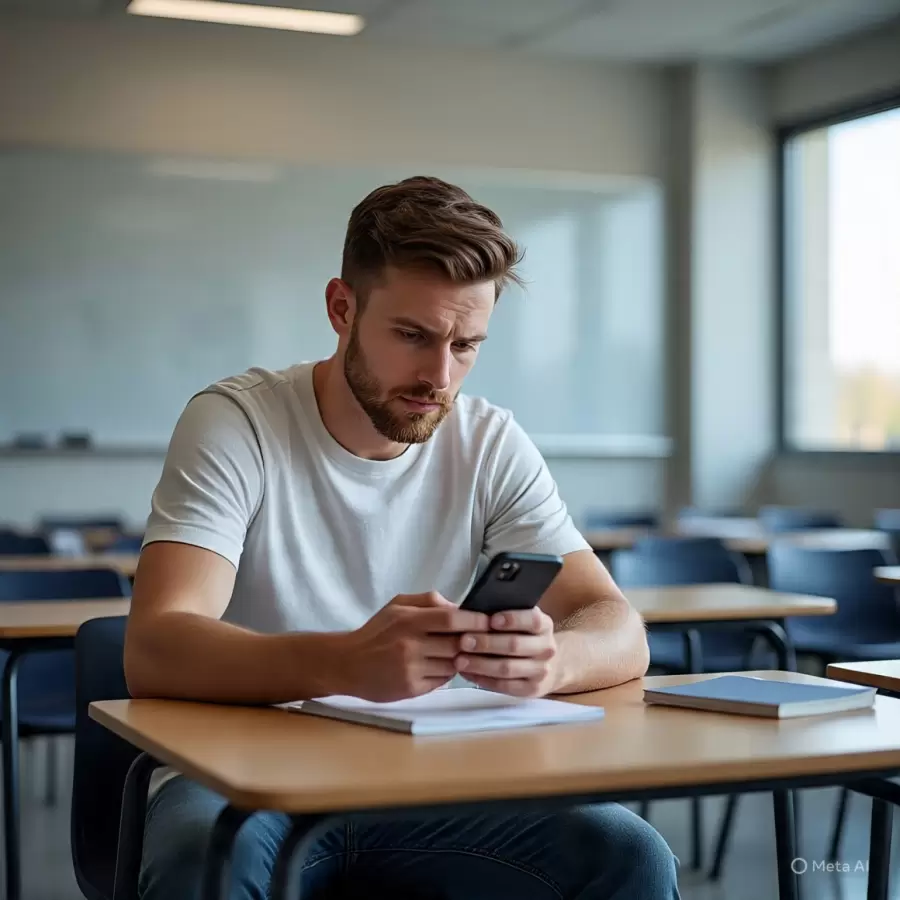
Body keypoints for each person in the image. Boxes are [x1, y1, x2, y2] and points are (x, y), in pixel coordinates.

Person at [125, 175, 679, 900]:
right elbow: (155, 646)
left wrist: (551, 662)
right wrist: (345, 662)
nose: (439, 376)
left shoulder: (489, 441)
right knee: (205, 861)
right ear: (341, 308)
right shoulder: (238, 423)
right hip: (243, 775)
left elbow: (617, 627)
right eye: (413, 336)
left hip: (431, 776)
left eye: (467, 344)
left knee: (629, 856)